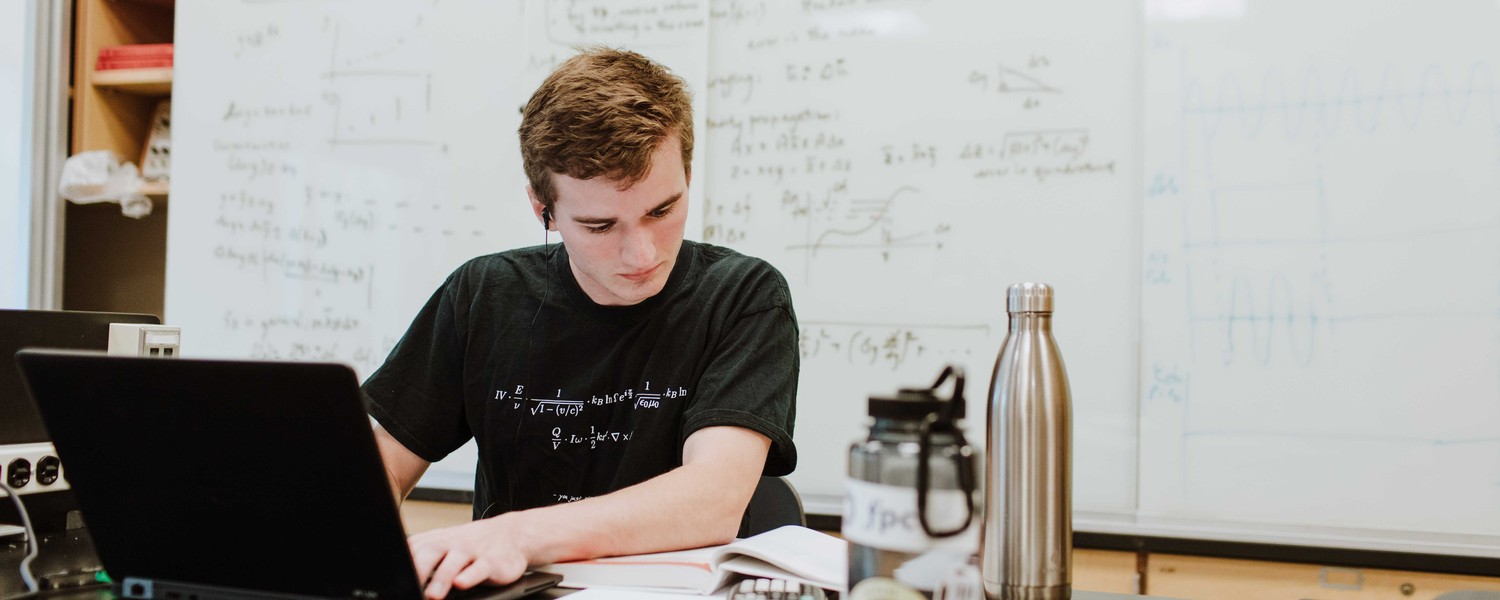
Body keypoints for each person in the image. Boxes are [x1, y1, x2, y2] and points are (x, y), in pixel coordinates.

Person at [361, 47, 799, 599]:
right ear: (542, 209)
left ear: (687, 174)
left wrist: (516, 534)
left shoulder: (743, 297)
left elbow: (711, 498)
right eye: (598, 225)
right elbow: (385, 461)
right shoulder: (484, 295)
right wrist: (367, 546)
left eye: (662, 211)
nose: (641, 254)